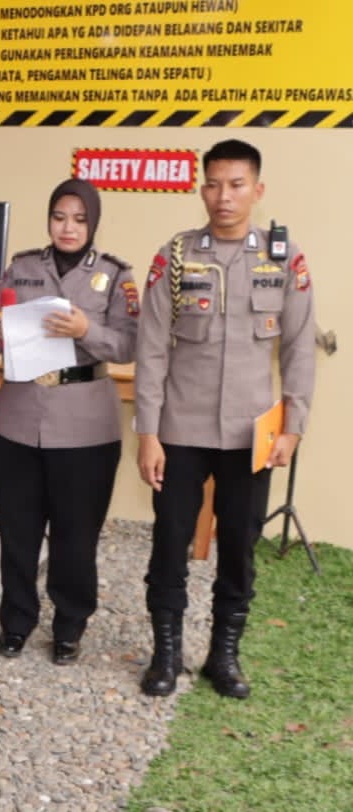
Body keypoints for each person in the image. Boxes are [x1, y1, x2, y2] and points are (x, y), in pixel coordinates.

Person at [135, 139, 316, 699]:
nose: (223, 196)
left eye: (236, 184)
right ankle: (166, 655)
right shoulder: (177, 256)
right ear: (202, 188)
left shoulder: (284, 259)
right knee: (170, 543)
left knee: (238, 546)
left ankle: (224, 656)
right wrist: (147, 432)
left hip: (250, 433)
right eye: (213, 183)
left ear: (257, 190)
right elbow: (151, 347)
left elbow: (300, 348)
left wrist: (293, 427)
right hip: (181, 430)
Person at [0, 178, 140, 664]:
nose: (68, 227)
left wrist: (86, 330)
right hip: (18, 418)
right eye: (59, 217)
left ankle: (70, 625)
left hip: (86, 426)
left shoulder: (117, 277)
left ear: (92, 222)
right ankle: (16, 620)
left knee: (76, 535)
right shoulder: (22, 267)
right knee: (17, 531)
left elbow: (129, 345)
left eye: (79, 219)